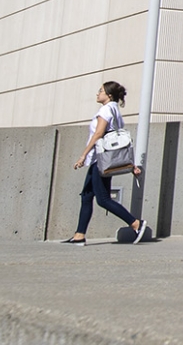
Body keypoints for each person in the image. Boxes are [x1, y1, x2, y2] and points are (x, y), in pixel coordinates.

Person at [67, 81, 151, 244]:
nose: (98, 94)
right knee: (86, 196)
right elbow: (119, 140)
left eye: (101, 91)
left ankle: (136, 224)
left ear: (109, 95)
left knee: (103, 199)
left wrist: (83, 155)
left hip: (100, 160)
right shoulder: (115, 111)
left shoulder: (105, 110)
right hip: (101, 160)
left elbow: (99, 134)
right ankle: (79, 235)